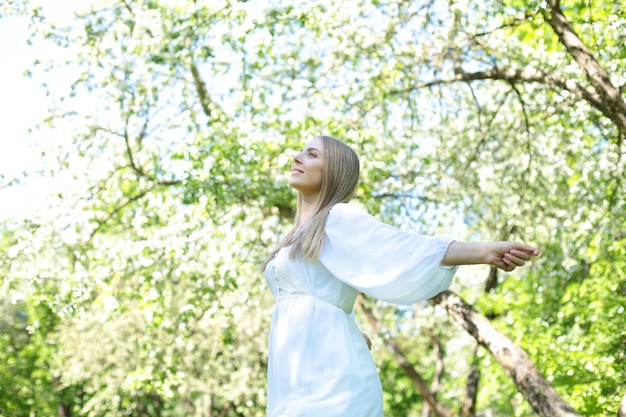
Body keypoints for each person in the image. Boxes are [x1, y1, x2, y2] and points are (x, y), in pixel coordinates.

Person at [262, 135, 539, 417]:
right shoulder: (294, 238)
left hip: (329, 382)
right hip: (293, 377)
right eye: (300, 152)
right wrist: (350, 329)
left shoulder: (338, 218)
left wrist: (484, 251)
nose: (297, 157)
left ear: (334, 171)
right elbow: (327, 292)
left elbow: (401, 249)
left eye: (312, 154)